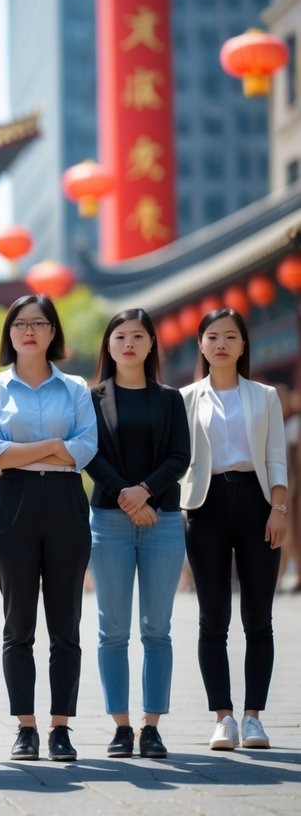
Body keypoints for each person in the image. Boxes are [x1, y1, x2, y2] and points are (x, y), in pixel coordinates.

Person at [0, 294, 97, 762]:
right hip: (15, 506)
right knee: (18, 623)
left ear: (52, 333)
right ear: (10, 334)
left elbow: (85, 448)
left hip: (67, 502)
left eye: (39, 323)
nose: (29, 331)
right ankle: (25, 726)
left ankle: (61, 727)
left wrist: (26, 451)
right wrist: (52, 445)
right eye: (20, 324)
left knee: (66, 623)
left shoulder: (76, 387)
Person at [180, 308, 288, 751]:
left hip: (256, 502)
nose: (221, 344)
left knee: (258, 617)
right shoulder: (186, 397)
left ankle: (254, 717)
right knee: (213, 618)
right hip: (204, 508)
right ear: (201, 345)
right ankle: (223, 716)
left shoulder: (264, 396)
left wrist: (279, 507)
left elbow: (277, 455)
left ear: (243, 345)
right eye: (212, 336)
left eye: (230, 336)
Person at [84, 309, 189, 759]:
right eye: (120, 336)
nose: (129, 343)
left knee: (157, 629)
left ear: (151, 345)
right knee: (112, 630)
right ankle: (121, 726)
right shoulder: (92, 398)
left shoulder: (169, 399)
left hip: (162, 520)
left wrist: (145, 493)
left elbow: (179, 455)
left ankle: (152, 725)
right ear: (108, 345)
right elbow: (88, 453)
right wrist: (125, 495)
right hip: (108, 521)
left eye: (138, 336)